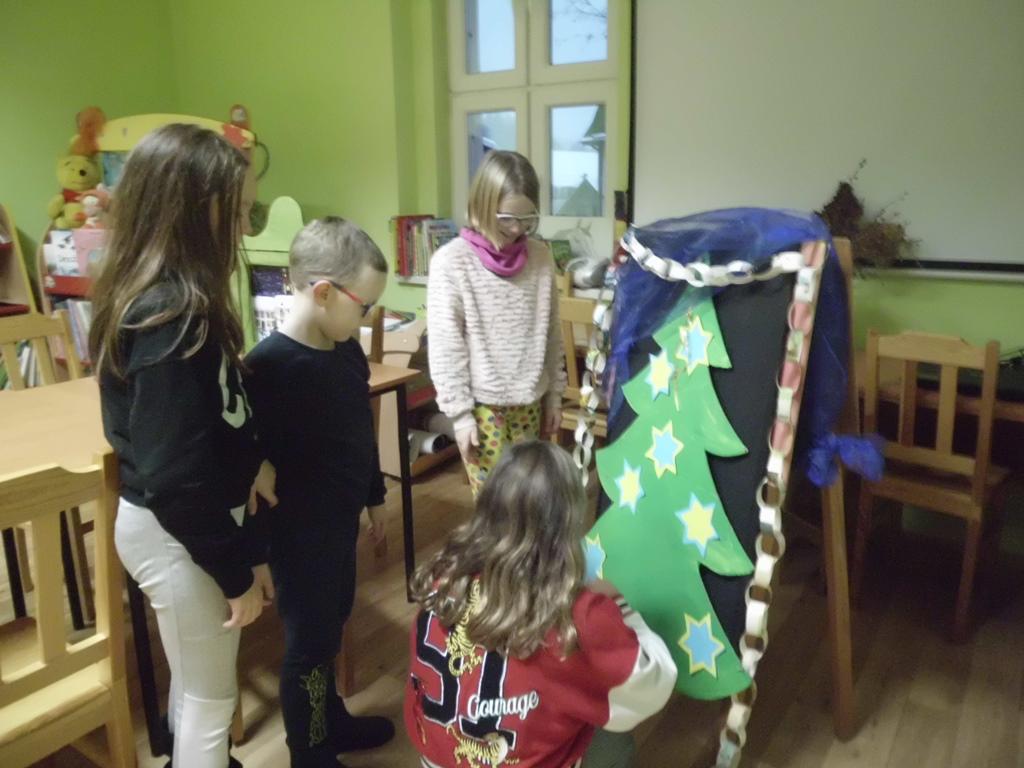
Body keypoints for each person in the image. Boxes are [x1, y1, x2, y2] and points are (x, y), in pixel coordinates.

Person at [90, 123, 277, 768]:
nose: (245, 227)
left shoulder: (180, 300)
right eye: (240, 211)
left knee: (197, 684)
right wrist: (234, 573)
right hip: (178, 533)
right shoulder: (169, 313)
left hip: (188, 526)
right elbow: (173, 477)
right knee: (208, 700)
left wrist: (251, 463)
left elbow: (213, 414)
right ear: (196, 211)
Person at [405, 441, 677, 767]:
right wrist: (620, 607)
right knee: (615, 740)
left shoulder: (442, 580)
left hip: (436, 758)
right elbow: (653, 686)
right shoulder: (581, 616)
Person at [244, 217, 395, 768]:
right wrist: (255, 556)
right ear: (324, 292)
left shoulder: (346, 350)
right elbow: (247, 475)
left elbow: (359, 435)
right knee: (308, 647)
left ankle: (331, 723)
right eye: (365, 305)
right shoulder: (267, 368)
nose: (368, 317)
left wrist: (375, 497)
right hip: (297, 538)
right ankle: (308, 752)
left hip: (339, 526)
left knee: (331, 627)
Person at [427, 150, 567, 496]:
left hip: (531, 404)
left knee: (528, 499)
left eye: (527, 219)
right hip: (482, 410)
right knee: (494, 506)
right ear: (482, 206)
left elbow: (552, 334)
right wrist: (460, 417)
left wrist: (554, 397)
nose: (517, 229)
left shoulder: (540, 257)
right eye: (506, 218)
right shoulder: (451, 262)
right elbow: (446, 347)